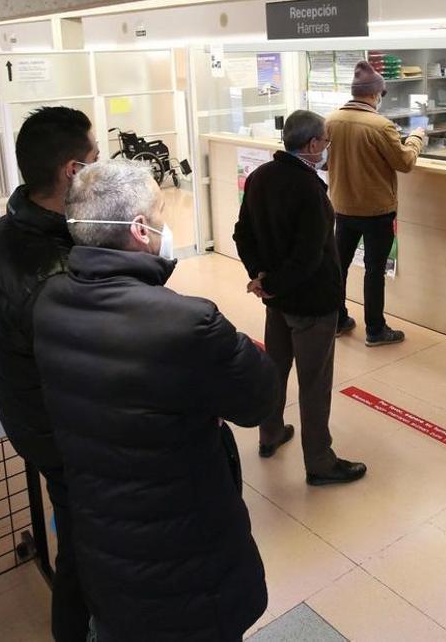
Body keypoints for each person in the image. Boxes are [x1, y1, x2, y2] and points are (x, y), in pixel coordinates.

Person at [32, 159, 279, 640]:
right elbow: (258, 400)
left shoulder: (49, 302)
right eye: (161, 214)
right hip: (187, 559)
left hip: (104, 539)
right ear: (140, 230)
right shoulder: (186, 323)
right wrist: (238, 345)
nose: (169, 227)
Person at [0, 106, 98, 642]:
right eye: (94, 159)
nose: (100, 167)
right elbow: (97, 367)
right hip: (67, 439)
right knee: (85, 554)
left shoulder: (2, 235)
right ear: (71, 170)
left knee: (80, 540)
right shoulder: (59, 269)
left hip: (32, 422)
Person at [233, 110, 367, 486]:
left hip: (277, 303)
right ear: (311, 146)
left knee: (275, 368)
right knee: (314, 382)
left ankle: (270, 432)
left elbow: (242, 233)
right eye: (324, 141)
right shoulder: (310, 189)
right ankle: (320, 462)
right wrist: (272, 283)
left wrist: (259, 278)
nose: (326, 146)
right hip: (311, 303)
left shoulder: (259, 176)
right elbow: (309, 257)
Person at [327, 60, 426, 346]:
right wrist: (416, 139)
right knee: (374, 271)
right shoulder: (381, 126)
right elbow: (405, 162)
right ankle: (375, 329)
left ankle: (337, 320)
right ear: (374, 94)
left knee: (339, 266)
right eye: (380, 93)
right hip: (376, 211)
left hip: (342, 207)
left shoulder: (331, 120)